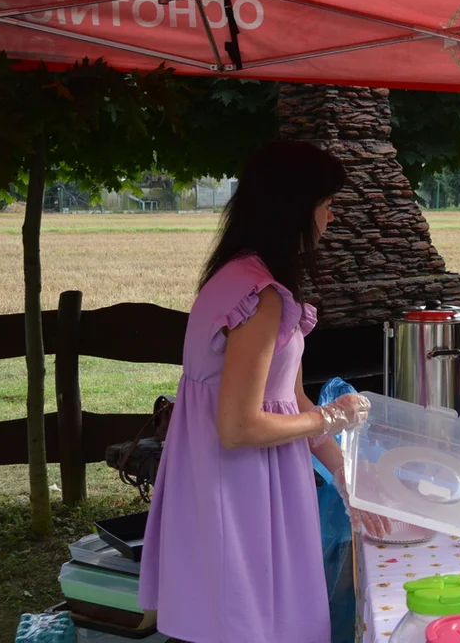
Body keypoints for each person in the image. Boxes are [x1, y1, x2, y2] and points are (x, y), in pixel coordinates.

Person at [139, 140, 389, 643]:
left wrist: (344, 473)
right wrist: (333, 417)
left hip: (238, 483)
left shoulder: (240, 278)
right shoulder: (260, 298)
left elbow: (289, 397)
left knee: (240, 618)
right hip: (243, 489)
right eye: (326, 205)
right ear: (294, 208)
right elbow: (238, 426)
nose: (331, 218)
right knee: (251, 623)